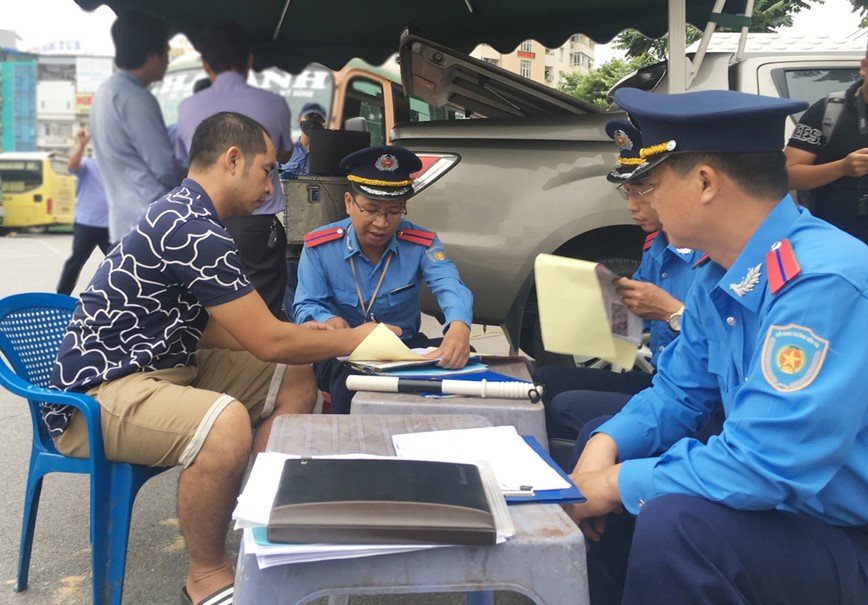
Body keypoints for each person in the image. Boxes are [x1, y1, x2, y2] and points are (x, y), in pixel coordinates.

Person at [49, 112, 390, 605]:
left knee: (295, 372)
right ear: (234, 160)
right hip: (98, 394)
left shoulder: (193, 215)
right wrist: (357, 338)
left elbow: (223, 331)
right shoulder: (190, 226)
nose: (271, 184)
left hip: (165, 366)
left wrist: (298, 336)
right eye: (267, 170)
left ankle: (262, 521)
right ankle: (206, 576)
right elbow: (265, 339)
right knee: (225, 423)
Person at [565, 88, 868, 605]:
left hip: (841, 532)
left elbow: (767, 465)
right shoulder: (721, 272)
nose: (648, 202)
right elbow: (678, 393)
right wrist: (605, 449)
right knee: (605, 450)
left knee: (675, 524)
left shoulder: (822, 279)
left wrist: (614, 483)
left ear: (705, 182)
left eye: (655, 184)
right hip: (780, 513)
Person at [532, 120, 703, 444]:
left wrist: (673, 313)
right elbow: (633, 301)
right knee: (544, 379)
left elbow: (726, 343)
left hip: (695, 401)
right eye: (627, 193)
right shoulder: (658, 245)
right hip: (663, 383)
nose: (631, 207)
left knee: (567, 407)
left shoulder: (710, 253)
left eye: (641, 192)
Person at [293, 145, 474, 413]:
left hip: (403, 349)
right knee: (352, 385)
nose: (381, 223)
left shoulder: (421, 243)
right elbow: (305, 306)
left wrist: (459, 326)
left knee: (459, 367)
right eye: (371, 210)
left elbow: (448, 284)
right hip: (343, 352)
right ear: (348, 203)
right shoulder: (319, 246)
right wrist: (328, 321)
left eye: (393, 212)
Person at [175, 20, 293, 319]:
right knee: (263, 313)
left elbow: (184, 162)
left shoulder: (187, 108)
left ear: (205, 64)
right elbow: (284, 155)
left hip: (204, 222)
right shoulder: (274, 103)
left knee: (210, 312)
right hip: (258, 226)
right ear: (249, 61)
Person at [90, 11, 184, 244]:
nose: (167, 61)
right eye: (165, 54)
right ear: (152, 55)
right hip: (150, 219)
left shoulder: (105, 91)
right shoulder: (136, 98)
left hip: (122, 218)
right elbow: (163, 167)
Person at [784, 43, 868, 244]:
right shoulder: (828, 111)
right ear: (864, 67)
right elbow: (786, 175)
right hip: (837, 239)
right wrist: (842, 167)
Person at [56, 130, 111, 296]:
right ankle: (61, 297)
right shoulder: (88, 163)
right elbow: (72, 166)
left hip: (110, 225)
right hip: (87, 224)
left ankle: (118, 298)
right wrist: (81, 144)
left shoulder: (118, 169)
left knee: (120, 262)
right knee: (76, 262)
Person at [279, 101, 328, 175]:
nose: (313, 123)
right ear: (299, 120)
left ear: (323, 124)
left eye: (318, 120)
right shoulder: (285, 151)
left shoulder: (327, 154)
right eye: (309, 118)